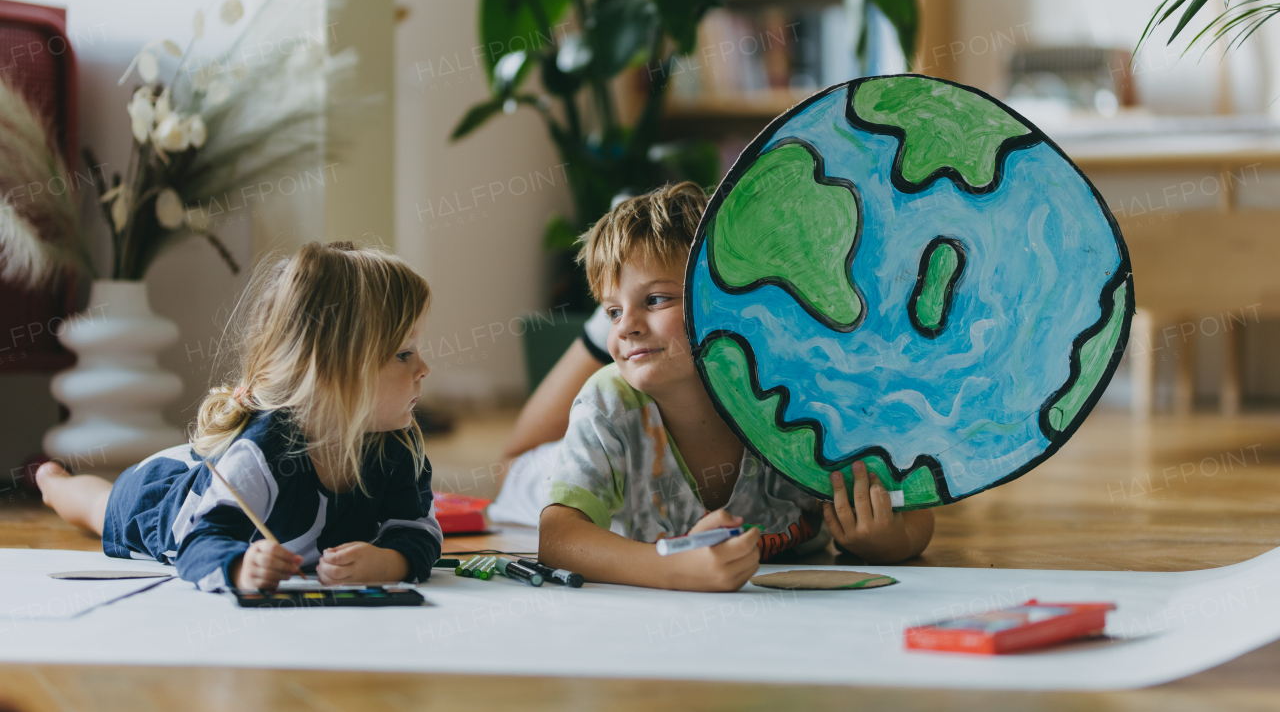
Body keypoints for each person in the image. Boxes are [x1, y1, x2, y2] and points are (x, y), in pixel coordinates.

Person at [537, 183, 935, 592]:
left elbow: (917, 512)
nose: (626, 326)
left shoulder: (801, 402)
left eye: (655, 299)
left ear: (722, 301)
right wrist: (672, 569)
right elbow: (556, 538)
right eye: (613, 311)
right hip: (549, 474)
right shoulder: (607, 405)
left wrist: (887, 540)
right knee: (526, 473)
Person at [35, 241, 442, 592]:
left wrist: (390, 563)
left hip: (213, 467)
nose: (423, 368)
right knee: (101, 506)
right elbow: (201, 540)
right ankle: (54, 483)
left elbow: (417, 531)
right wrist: (241, 567)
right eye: (403, 354)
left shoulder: (399, 446)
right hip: (169, 498)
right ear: (332, 368)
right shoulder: (261, 455)